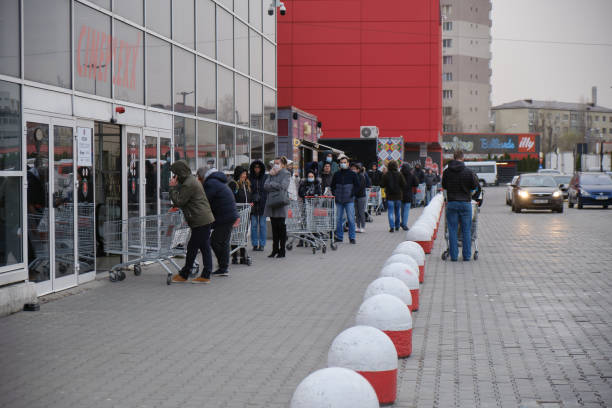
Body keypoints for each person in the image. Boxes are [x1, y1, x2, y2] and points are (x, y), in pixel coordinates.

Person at [169, 160, 215, 284]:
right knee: (204, 247)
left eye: (175, 174)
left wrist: (172, 188)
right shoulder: (190, 180)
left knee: (192, 247)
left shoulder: (189, 183)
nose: (175, 176)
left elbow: (180, 200)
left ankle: (185, 274)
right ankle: (206, 275)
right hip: (203, 218)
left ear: (180, 173)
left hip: (200, 219)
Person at [199, 167, 239, 277]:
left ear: (202, 177)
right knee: (224, 242)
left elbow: (205, 200)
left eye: (199, 178)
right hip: (229, 215)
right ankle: (223, 267)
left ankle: (223, 266)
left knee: (214, 241)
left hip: (224, 217)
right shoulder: (218, 181)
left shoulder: (210, 183)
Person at [441, 150, 479, 262]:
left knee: (452, 230)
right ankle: (466, 256)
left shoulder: (447, 172)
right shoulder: (468, 172)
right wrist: (469, 194)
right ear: (463, 158)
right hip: (465, 204)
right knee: (466, 230)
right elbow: (475, 187)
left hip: (452, 203)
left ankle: (453, 256)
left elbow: (444, 187)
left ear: (453, 157)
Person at [264, 156, 291, 258]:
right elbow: (265, 186)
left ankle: (282, 250)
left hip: (280, 203)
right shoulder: (271, 173)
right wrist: (273, 182)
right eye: (274, 163)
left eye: (277, 163)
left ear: (283, 165)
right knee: (274, 228)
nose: (275, 165)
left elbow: (283, 186)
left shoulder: (286, 173)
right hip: (272, 203)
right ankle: (274, 250)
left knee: (281, 228)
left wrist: (272, 184)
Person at [331, 156, 360, 244]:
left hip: (349, 200)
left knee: (351, 219)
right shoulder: (336, 174)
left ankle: (352, 237)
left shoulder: (352, 174)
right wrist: (334, 193)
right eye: (341, 162)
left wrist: (352, 194)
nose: (343, 164)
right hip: (339, 200)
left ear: (348, 164)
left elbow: (357, 186)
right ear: (340, 164)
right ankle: (339, 237)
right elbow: (333, 186)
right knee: (338, 219)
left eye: (345, 162)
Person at [228, 166, 252, 264]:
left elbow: (249, 197)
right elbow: (231, 197)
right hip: (237, 213)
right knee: (235, 234)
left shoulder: (246, 184)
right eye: (242, 175)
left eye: (245, 175)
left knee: (243, 234)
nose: (244, 176)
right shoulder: (233, 184)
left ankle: (242, 256)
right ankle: (234, 256)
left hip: (246, 213)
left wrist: (251, 203)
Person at [381, 160, 406, 233]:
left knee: (390, 212)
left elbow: (382, 185)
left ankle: (392, 227)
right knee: (397, 212)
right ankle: (397, 226)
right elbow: (404, 184)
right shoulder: (400, 174)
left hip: (389, 196)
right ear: (396, 166)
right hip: (398, 196)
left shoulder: (386, 175)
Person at [248, 160, 268, 251]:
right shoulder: (249, 177)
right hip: (253, 204)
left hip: (263, 204)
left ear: (261, 168)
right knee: (254, 225)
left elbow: (267, 190)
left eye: (258, 167)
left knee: (263, 225)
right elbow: (248, 191)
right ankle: (255, 244)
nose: (257, 169)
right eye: (255, 167)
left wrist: (262, 197)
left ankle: (262, 244)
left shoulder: (265, 177)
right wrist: (252, 198)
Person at [400, 163, 419, 231]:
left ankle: (402, 222)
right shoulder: (411, 175)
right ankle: (404, 224)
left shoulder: (400, 174)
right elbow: (416, 183)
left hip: (401, 194)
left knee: (402, 210)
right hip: (408, 194)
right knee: (406, 210)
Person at [352, 163, 370, 233]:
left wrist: (353, 192)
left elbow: (360, 187)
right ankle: (358, 226)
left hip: (361, 196)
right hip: (355, 196)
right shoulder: (354, 176)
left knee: (361, 212)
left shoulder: (361, 176)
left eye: (354, 169)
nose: (353, 170)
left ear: (358, 169)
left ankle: (363, 226)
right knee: (356, 213)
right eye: (352, 169)